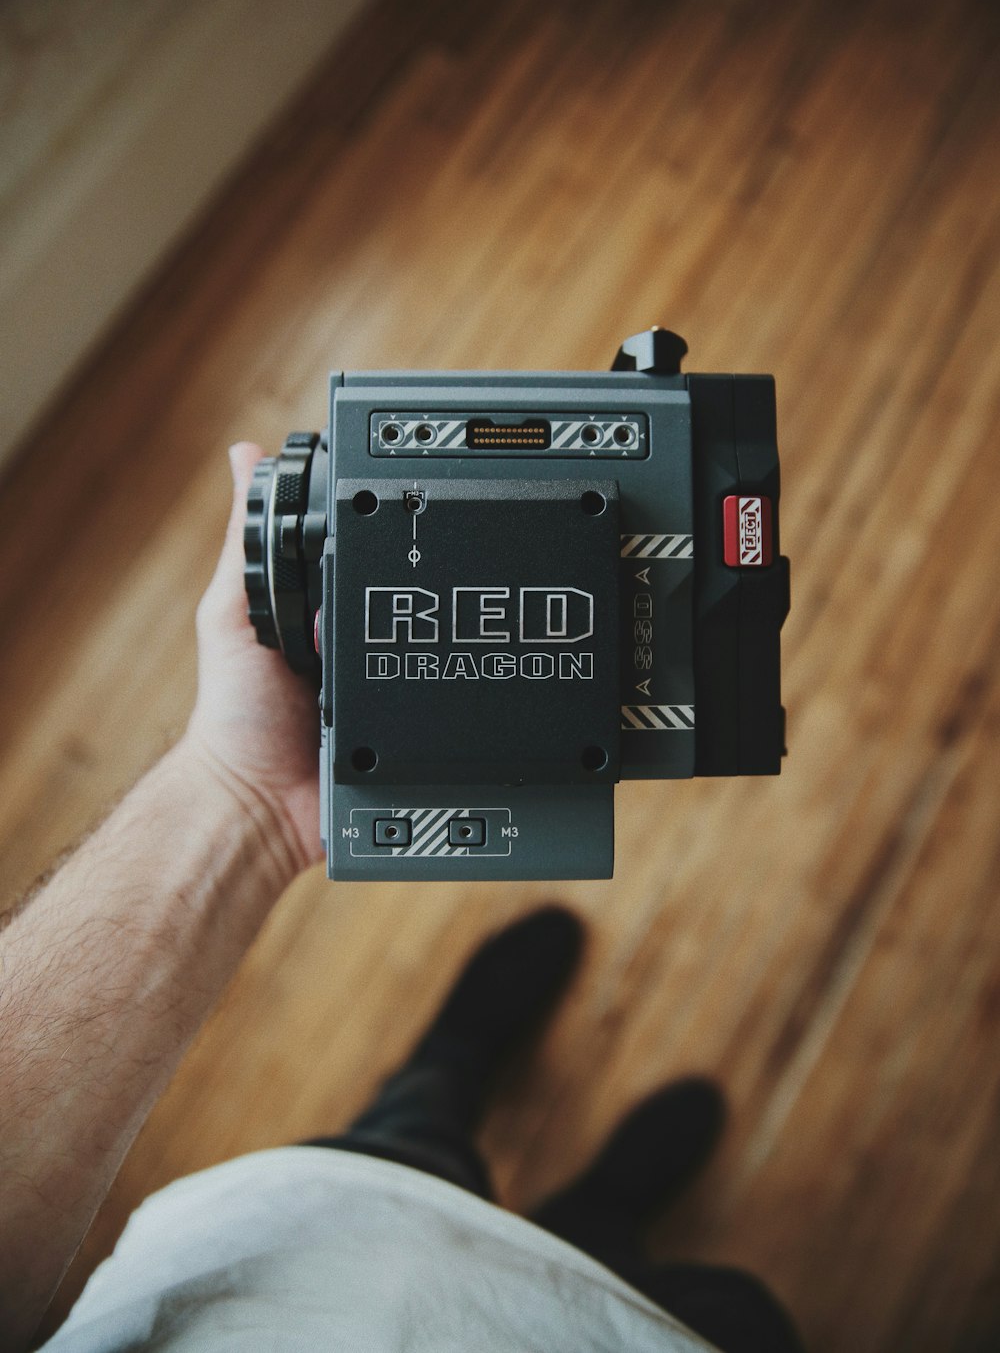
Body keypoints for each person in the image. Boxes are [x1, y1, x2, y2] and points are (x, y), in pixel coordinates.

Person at [0, 444, 804, 1353]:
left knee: (411, 1127)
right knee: (699, 1298)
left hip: (315, 1245)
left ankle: (448, 1066)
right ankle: (601, 1211)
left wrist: (238, 790)